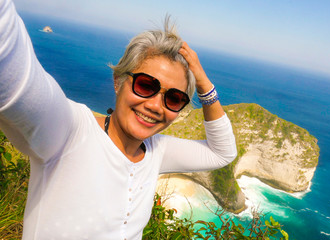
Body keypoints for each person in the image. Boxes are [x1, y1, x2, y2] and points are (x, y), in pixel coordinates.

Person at [0, 0, 237, 239]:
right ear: (118, 81)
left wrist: (204, 85)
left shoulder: (157, 152)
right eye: (146, 85)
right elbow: (16, 82)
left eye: (174, 98)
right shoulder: (69, 133)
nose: (155, 106)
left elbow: (222, 152)